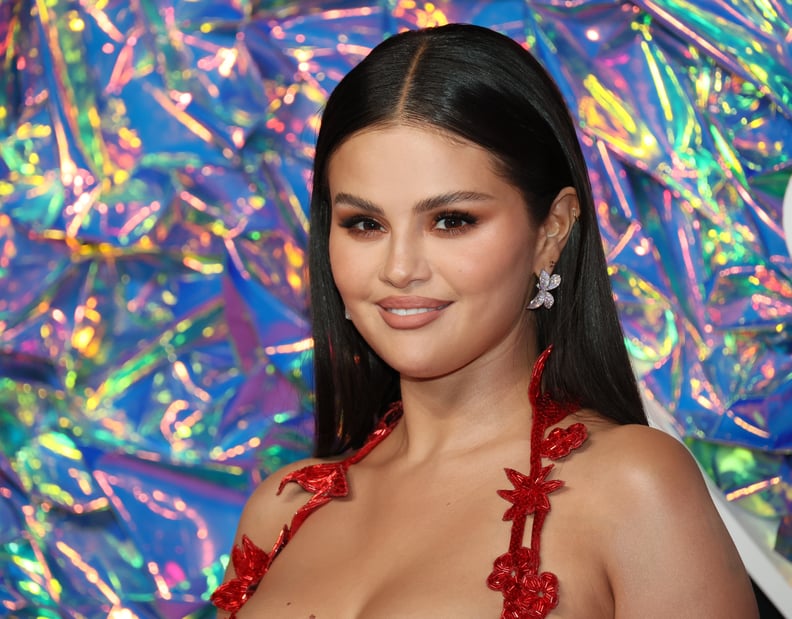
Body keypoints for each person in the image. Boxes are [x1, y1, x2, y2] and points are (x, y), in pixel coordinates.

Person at [211, 23, 758, 618]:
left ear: (551, 231)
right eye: (365, 224)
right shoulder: (281, 509)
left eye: (451, 220)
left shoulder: (632, 487)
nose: (399, 269)